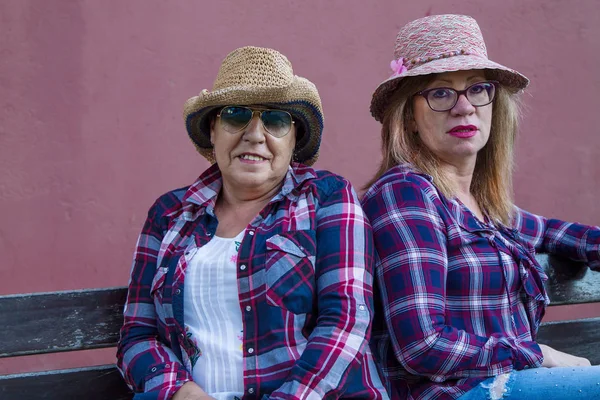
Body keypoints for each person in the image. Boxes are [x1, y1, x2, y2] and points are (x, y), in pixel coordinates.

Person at [116, 46, 387, 400]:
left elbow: (346, 321)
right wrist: (179, 391)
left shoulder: (329, 198)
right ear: (213, 130)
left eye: (275, 120)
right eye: (236, 115)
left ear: (293, 139)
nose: (255, 134)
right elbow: (138, 335)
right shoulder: (168, 213)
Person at [361, 14, 600, 400]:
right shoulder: (406, 195)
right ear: (409, 119)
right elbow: (422, 345)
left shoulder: (483, 207)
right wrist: (539, 354)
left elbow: (559, 234)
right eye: (440, 93)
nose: (463, 107)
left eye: (477, 89)